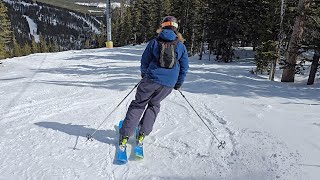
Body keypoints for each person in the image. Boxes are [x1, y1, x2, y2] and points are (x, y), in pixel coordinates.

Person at [119, 16, 189, 148]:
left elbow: (144, 60)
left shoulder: (154, 42)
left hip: (151, 79)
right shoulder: (180, 46)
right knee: (154, 105)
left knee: (139, 104)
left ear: (162, 26)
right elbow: (184, 67)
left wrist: (144, 74)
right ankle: (142, 134)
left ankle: (125, 136)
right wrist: (178, 83)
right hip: (168, 83)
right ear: (175, 28)